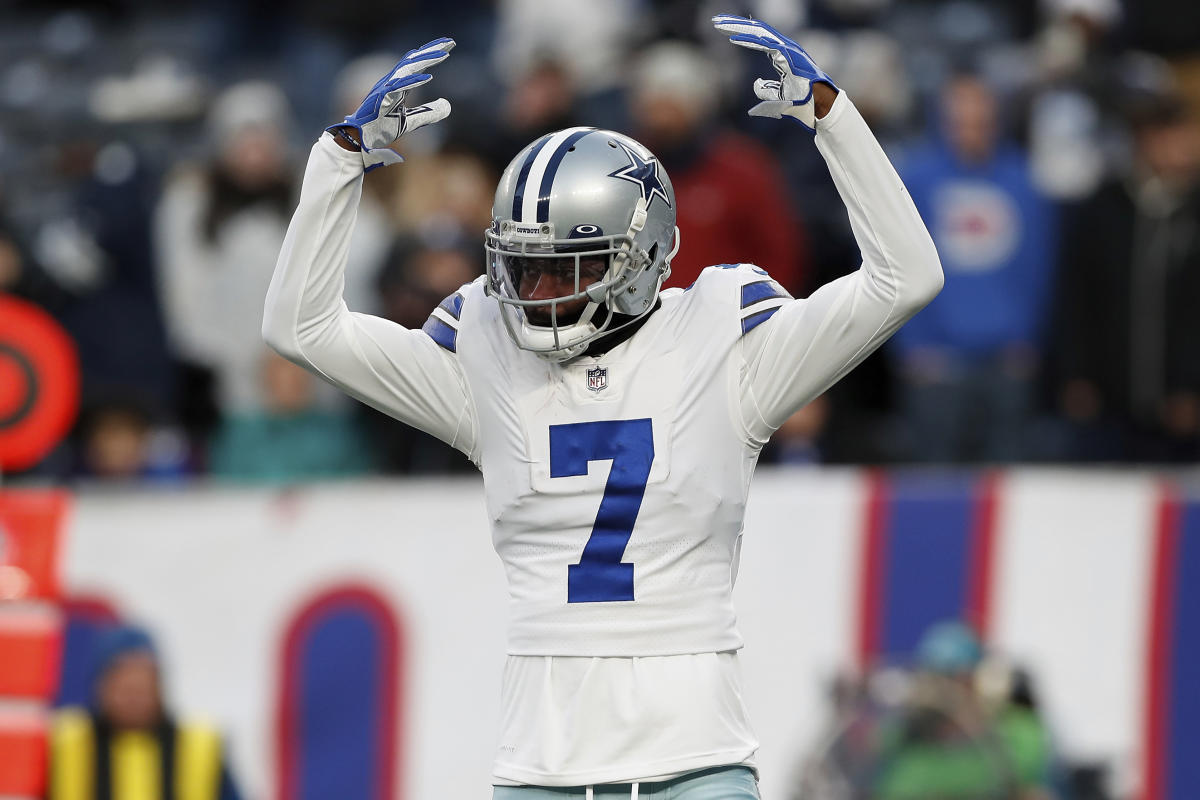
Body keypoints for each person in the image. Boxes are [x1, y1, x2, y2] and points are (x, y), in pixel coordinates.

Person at [263, 16, 942, 799]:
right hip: (539, 767)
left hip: (696, 761)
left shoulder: (722, 339)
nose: (537, 294)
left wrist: (834, 119)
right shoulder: (485, 352)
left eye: (568, 267)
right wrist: (338, 164)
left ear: (642, 254)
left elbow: (905, 278)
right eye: (522, 269)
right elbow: (300, 327)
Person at [48, 625, 243, 800]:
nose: (134, 698)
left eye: (143, 686)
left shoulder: (198, 746)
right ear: (100, 686)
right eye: (123, 686)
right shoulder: (66, 743)